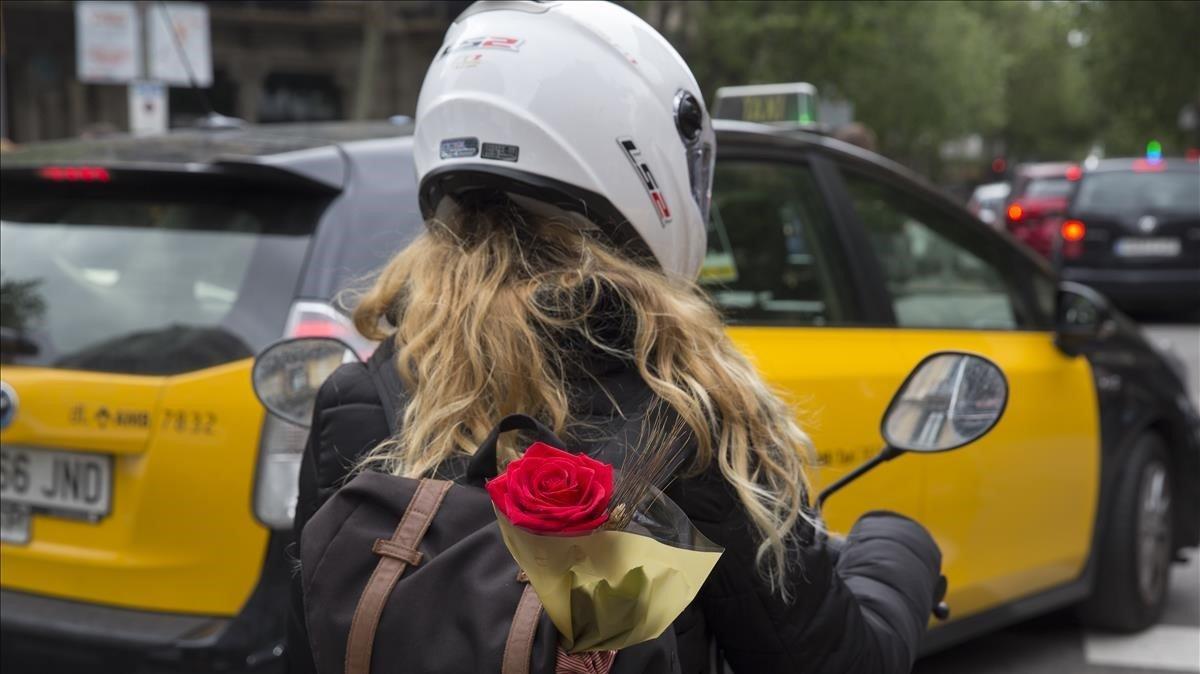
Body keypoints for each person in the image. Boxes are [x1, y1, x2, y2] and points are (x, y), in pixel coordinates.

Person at [288, 2, 942, 672]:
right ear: (646, 159)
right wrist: (900, 552)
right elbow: (832, 660)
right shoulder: (683, 404)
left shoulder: (362, 395)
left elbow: (308, 639)